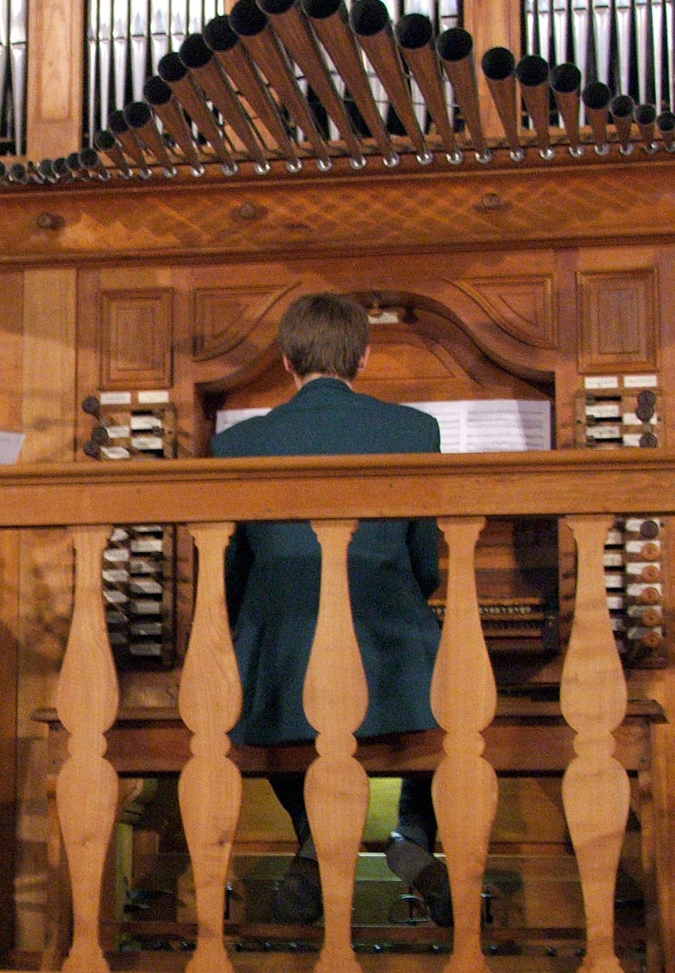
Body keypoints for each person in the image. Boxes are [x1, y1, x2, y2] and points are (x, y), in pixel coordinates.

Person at [211, 292, 452, 928]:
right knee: (453, 701)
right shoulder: (414, 432)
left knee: (258, 698)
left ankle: (314, 841)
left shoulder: (239, 446)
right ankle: (411, 839)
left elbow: (232, 575)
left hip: (283, 660)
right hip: (390, 650)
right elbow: (425, 558)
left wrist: (257, 630)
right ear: (364, 357)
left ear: (288, 361)